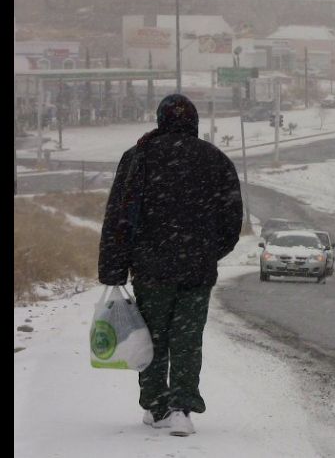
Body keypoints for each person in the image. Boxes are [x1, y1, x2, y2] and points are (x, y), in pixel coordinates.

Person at [98, 94, 243, 436]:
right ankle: (182, 409)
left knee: (152, 338)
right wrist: (207, 252)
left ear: (160, 119)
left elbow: (118, 216)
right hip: (197, 270)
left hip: (150, 269)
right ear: (194, 122)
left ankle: (155, 405)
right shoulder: (215, 159)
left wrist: (115, 266)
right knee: (188, 339)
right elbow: (232, 222)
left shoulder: (138, 157)